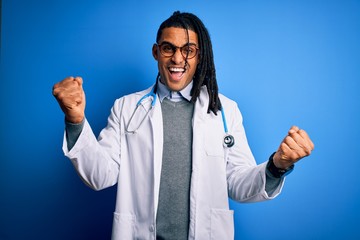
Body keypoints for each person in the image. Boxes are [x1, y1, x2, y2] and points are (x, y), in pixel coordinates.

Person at [52, 11, 314, 240]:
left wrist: (277, 166)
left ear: (199, 56)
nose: (178, 59)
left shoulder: (225, 111)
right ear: (156, 52)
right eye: (169, 48)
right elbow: (100, 175)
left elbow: (237, 183)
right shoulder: (126, 108)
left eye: (188, 50)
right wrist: (75, 120)